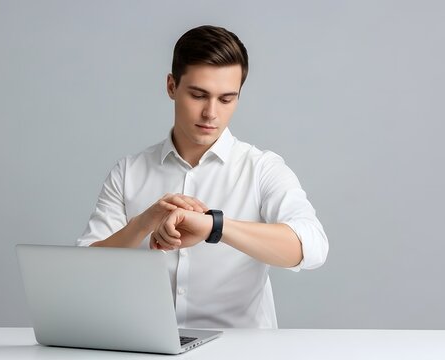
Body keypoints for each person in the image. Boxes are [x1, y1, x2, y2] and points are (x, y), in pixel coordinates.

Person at [77, 25, 328, 329]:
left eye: (226, 99)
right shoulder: (128, 172)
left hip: (240, 351)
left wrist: (214, 226)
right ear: (171, 87)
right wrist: (144, 223)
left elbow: (312, 247)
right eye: (198, 95)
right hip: (145, 346)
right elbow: (83, 271)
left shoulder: (262, 168)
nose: (211, 113)